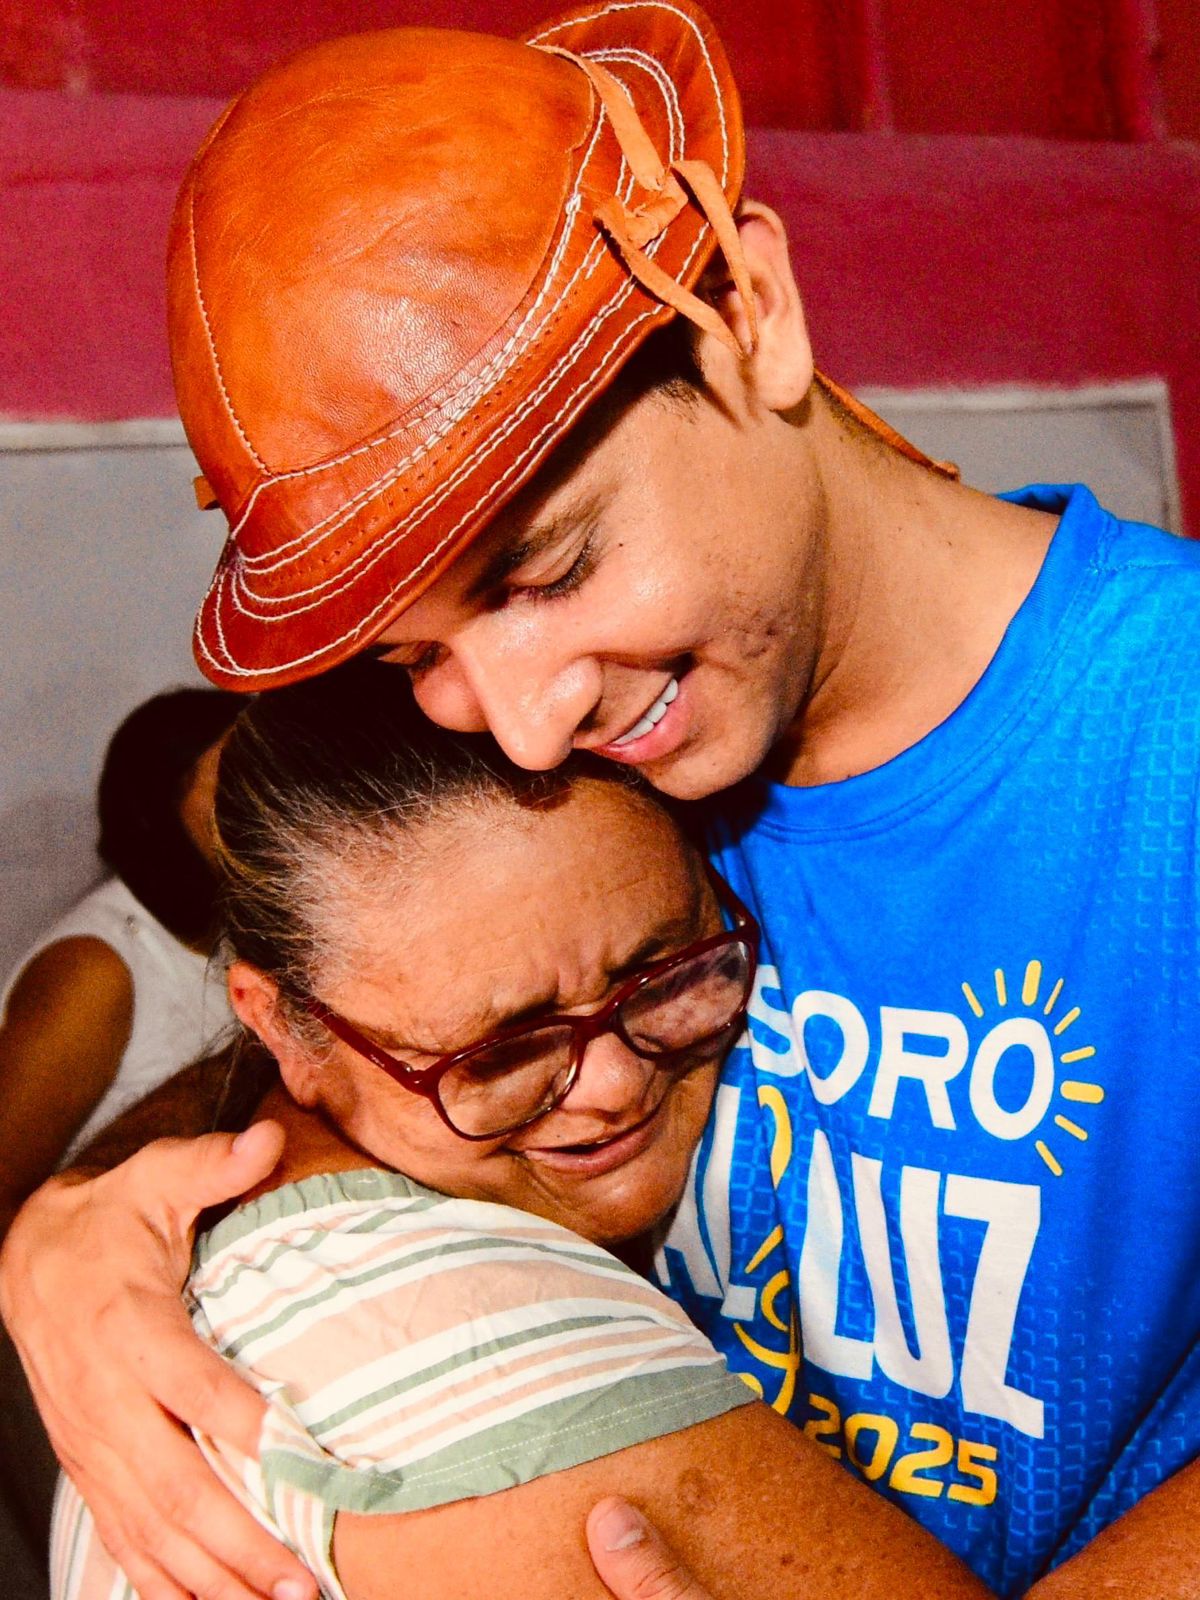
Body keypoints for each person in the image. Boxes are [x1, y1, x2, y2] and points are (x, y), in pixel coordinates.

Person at [4, 2, 1200, 1597]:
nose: (525, 719)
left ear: (749, 314)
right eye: (423, 654)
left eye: (551, 569)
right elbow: (355, 1046)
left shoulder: (1163, 738)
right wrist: (75, 1230)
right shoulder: (617, 744)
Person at [52, 662, 986, 1600]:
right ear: (284, 1031)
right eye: (502, 1051)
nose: (614, 1085)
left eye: (660, 971)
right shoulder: (447, 1338)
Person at [0, 686, 239, 1233]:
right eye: (233, 786)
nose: (262, 808)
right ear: (158, 809)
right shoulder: (92, 968)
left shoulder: (235, 928)